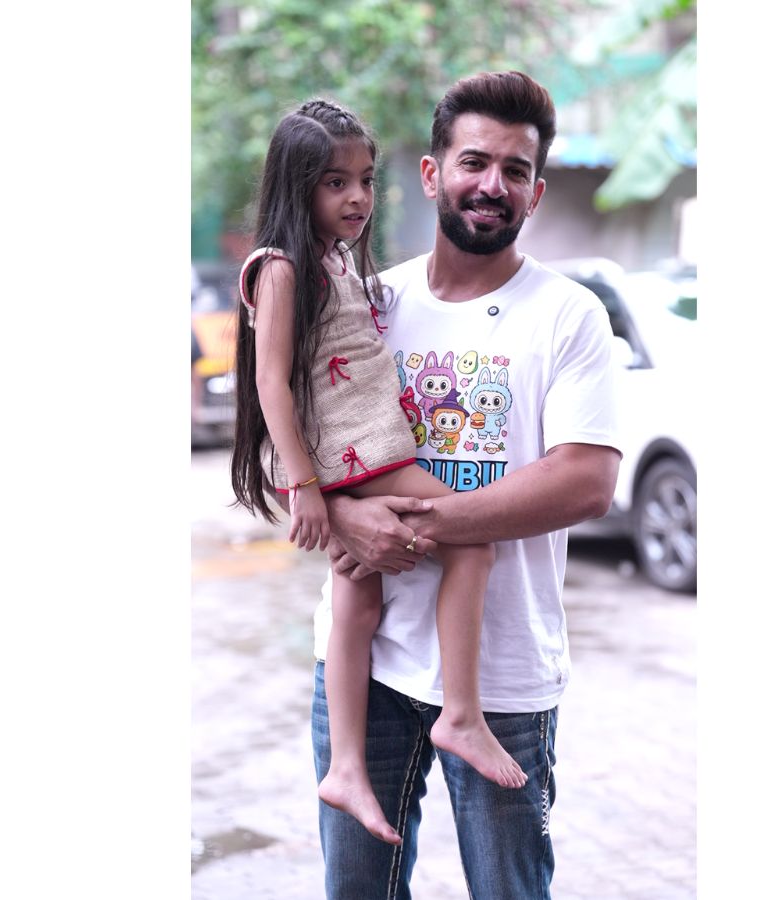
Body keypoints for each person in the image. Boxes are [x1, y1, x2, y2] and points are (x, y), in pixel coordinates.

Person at [314, 72, 623, 899]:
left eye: (516, 170)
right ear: (431, 173)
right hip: (365, 658)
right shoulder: (370, 303)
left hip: (505, 678)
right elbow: (297, 440)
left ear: (537, 192)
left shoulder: (569, 315)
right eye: (475, 162)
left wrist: (417, 526)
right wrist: (343, 515)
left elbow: (586, 482)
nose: (493, 185)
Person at [230, 99, 528, 847]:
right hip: (358, 459)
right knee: (472, 541)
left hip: (360, 457)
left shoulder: (335, 263)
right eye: (336, 183)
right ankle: (461, 715)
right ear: (296, 185)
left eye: (365, 180)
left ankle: (346, 767)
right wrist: (307, 489)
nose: (357, 197)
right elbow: (270, 383)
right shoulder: (281, 268)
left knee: (356, 606)